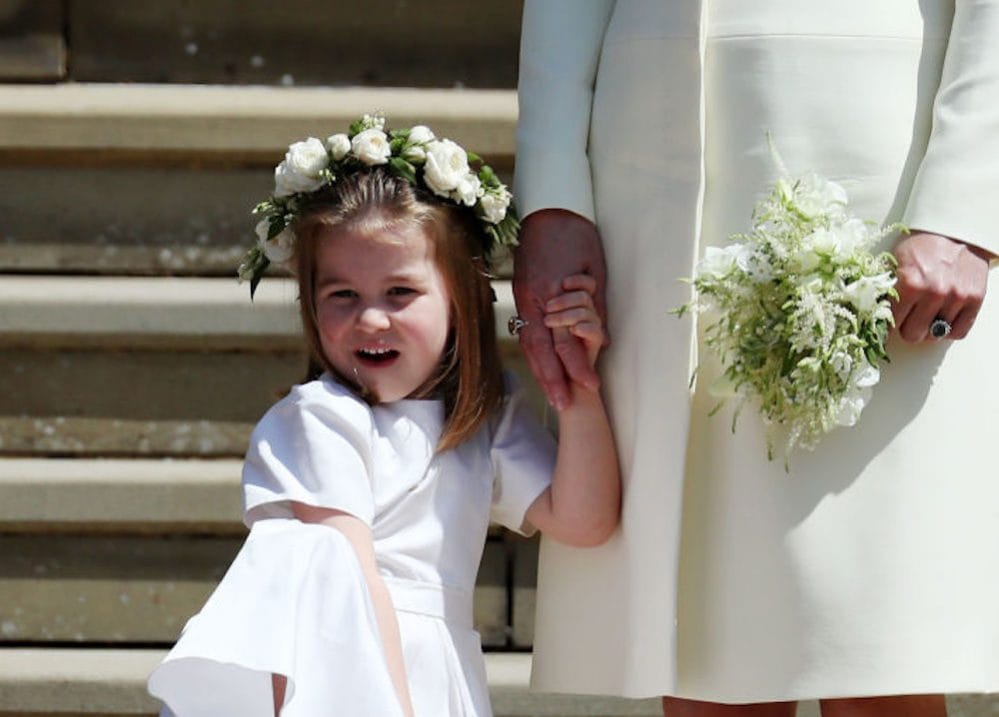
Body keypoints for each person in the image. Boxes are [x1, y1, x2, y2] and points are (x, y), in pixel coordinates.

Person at [514, 2, 998, 716]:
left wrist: (964, 204)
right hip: (654, 144)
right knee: (707, 638)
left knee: (873, 639)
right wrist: (552, 196)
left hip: (882, 161)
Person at [147, 115, 620, 717]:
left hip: (437, 674)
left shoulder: (481, 417)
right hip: (349, 680)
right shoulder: (320, 419)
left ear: (461, 298)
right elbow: (348, 586)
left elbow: (584, 521)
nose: (371, 319)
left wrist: (577, 386)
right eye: (343, 295)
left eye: (400, 293)